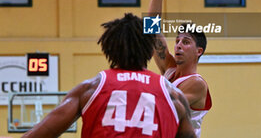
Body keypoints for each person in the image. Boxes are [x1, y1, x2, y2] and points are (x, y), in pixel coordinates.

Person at [22, 13, 196, 138]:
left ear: (108, 50)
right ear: (151, 52)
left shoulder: (91, 88)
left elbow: (41, 134)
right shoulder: (174, 96)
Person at [144, 0, 212, 138]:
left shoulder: (197, 84)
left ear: (199, 51)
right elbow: (151, 29)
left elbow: (164, 106)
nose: (179, 45)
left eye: (186, 41)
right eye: (177, 40)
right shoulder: (169, 70)